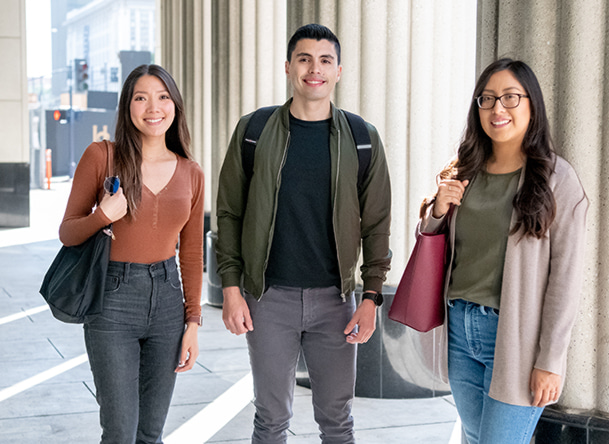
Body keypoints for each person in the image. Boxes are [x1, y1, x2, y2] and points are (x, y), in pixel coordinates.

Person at [215, 23, 391, 444]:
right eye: (305, 59)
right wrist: (232, 288)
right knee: (271, 419)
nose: (315, 69)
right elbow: (228, 214)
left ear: (338, 71)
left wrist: (370, 297)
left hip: (335, 302)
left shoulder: (363, 138)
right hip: (268, 299)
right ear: (289, 67)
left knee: (337, 421)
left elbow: (377, 223)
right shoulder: (254, 131)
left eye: (325, 60)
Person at [419, 58, 588, 443]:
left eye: (511, 98)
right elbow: (432, 245)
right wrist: (437, 211)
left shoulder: (557, 180)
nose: (498, 109)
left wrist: (550, 360)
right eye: (488, 99)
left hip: (514, 338)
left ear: (532, 106)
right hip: (459, 330)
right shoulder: (463, 170)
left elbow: (566, 280)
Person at [59, 64, 204, 443]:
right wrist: (102, 216)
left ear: (175, 106)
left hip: (168, 303)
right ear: (127, 106)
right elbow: (68, 231)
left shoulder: (192, 172)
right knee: (120, 431)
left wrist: (193, 322)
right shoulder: (102, 156)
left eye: (162, 97)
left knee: (150, 433)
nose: (152, 107)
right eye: (141, 97)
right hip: (113, 301)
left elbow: (191, 253)